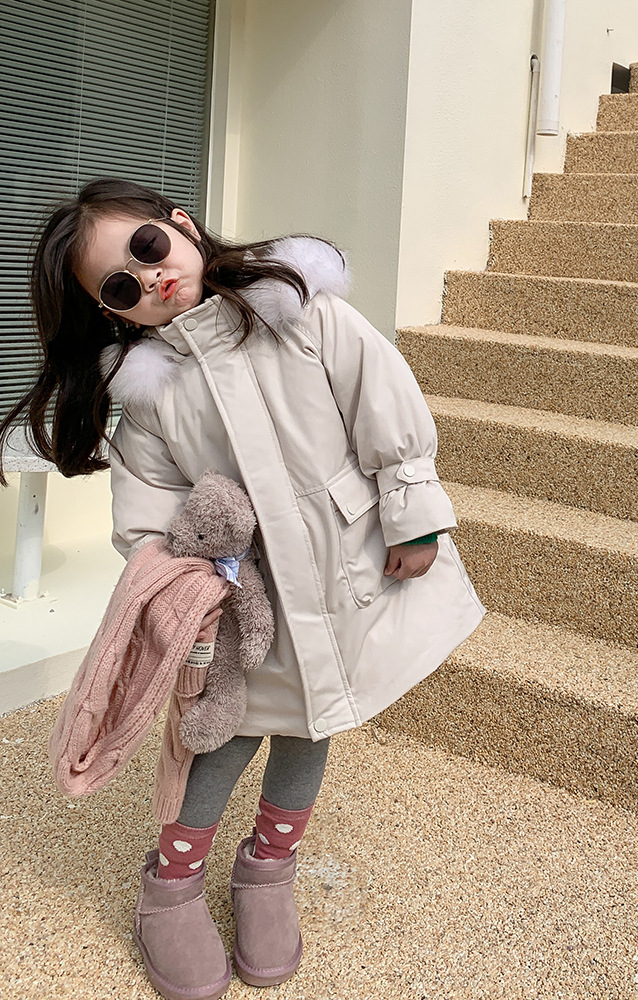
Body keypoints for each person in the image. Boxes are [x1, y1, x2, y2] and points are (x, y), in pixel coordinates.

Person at [0, 178, 486, 999]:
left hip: (345, 564)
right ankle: (171, 883)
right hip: (241, 598)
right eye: (120, 285)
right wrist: (187, 581)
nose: (149, 277)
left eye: (148, 247)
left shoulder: (301, 313)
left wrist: (414, 514)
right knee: (220, 734)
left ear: (180, 225)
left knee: (313, 719)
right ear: (112, 312)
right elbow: (147, 516)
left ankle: (268, 869)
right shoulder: (150, 397)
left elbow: (383, 404)